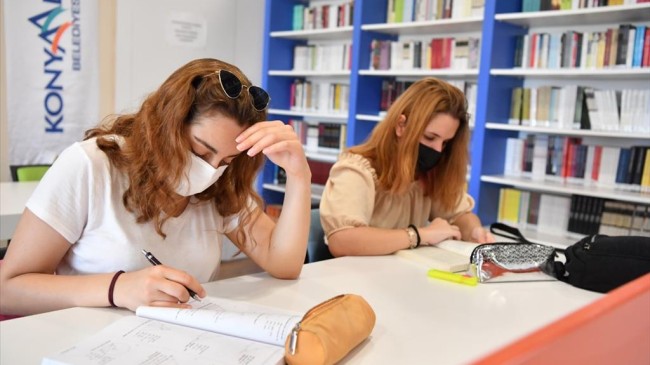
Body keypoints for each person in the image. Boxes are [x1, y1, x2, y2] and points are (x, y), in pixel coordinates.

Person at [0, 58, 312, 316]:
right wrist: (118, 288)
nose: (209, 170)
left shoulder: (220, 184)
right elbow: (8, 288)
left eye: (227, 159)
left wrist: (299, 176)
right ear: (166, 126)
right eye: (200, 151)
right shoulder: (91, 165)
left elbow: (284, 263)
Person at [320, 77, 494, 257]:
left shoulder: (428, 172)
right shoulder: (356, 169)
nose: (437, 150)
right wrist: (420, 234)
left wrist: (474, 231)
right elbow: (342, 241)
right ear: (401, 125)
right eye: (430, 137)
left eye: (445, 143)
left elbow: (458, 214)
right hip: (353, 278)